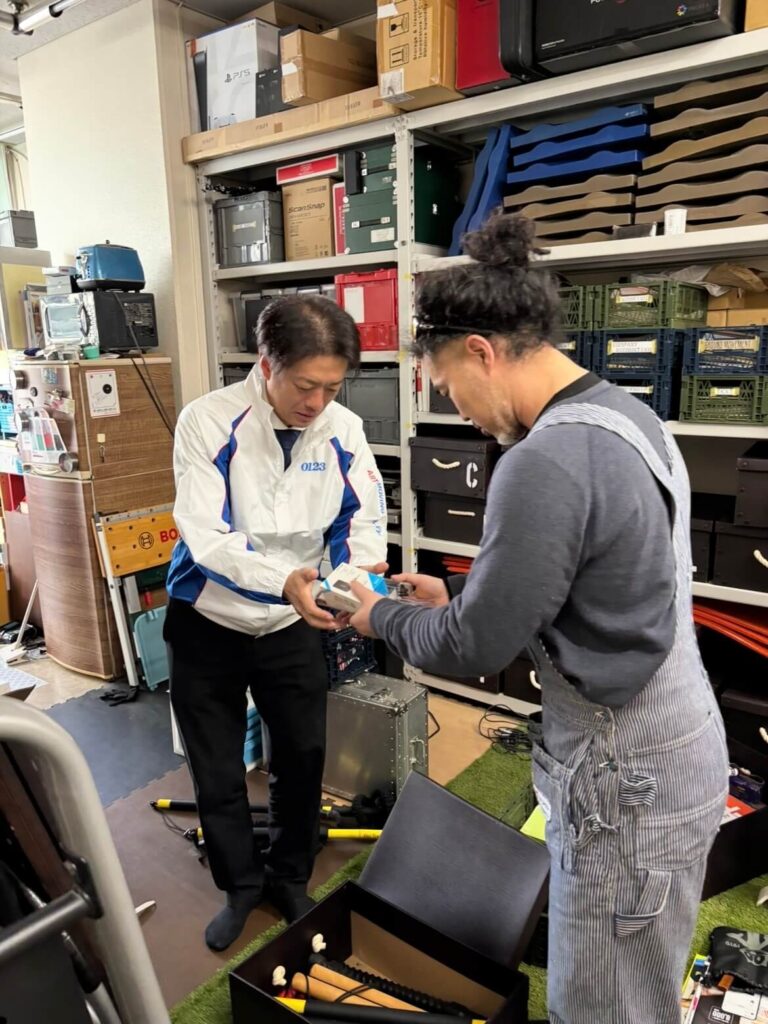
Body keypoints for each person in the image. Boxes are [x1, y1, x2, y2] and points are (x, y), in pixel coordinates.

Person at [326, 214, 729, 1024]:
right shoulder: (625, 415)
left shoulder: (544, 458)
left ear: (481, 351)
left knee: (605, 1004)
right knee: (640, 983)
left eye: (447, 387)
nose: (460, 410)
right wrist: (460, 595)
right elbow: (594, 583)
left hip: (628, 783)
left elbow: (476, 645)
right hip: (676, 747)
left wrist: (376, 617)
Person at [164, 295, 387, 951]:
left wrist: (345, 587)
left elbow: (361, 521)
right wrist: (284, 579)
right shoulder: (207, 420)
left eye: (331, 387)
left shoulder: (343, 429)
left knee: (302, 755)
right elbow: (206, 535)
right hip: (208, 617)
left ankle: (290, 876)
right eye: (304, 385)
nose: (316, 402)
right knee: (216, 767)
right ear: (266, 365)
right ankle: (239, 885)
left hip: (294, 620)